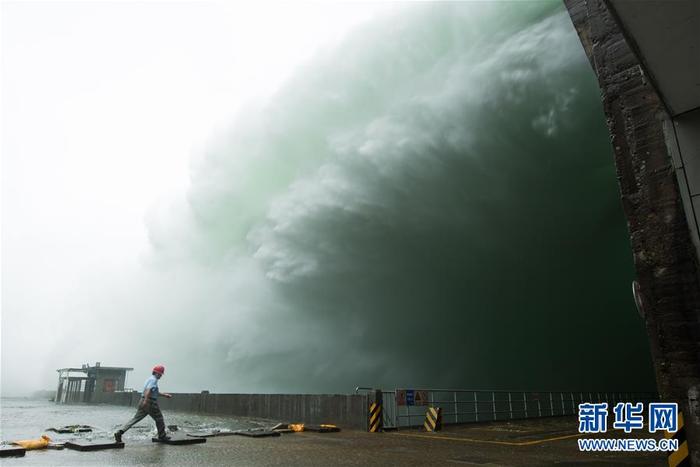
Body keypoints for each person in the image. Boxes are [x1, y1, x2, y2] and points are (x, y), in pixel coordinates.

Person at [114, 364, 173, 442]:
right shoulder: (153, 380)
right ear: (157, 373)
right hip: (150, 402)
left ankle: (120, 432)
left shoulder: (149, 379)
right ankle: (162, 437)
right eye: (160, 374)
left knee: (135, 419)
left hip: (143, 401)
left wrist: (165, 395)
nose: (161, 376)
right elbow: (148, 390)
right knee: (159, 419)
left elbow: (154, 392)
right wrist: (146, 401)